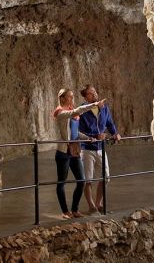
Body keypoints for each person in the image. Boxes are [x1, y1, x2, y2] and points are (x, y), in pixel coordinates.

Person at [52, 88, 105, 219]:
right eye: (69, 97)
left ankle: (74, 209)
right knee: (61, 182)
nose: (72, 99)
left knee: (81, 180)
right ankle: (65, 211)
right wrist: (94, 105)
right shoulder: (60, 112)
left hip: (74, 150)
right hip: (63, 152)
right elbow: (77, 111)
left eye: (72, 96)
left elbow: (75, 133)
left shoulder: (71, 112)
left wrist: (87, 137)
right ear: (62, 98)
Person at [77, 84, 121, 214]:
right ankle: (91, 206)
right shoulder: (82, 110)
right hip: (87, 149)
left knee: (105, 177)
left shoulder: (104, 108)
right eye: (91, 93)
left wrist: (115, 133)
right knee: (88, 179)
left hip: (100, 148)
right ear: (85, 97)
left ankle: (98, 203)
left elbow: (109, 123)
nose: (95, 94)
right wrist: (94, 136)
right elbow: (78, 131)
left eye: (95, 92)